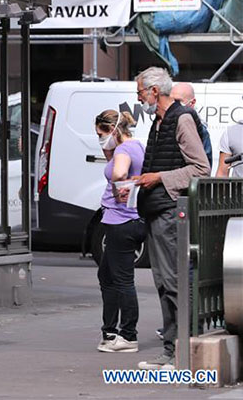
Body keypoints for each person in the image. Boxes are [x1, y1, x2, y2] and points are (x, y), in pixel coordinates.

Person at [133, 67, 210, 370]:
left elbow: (200, 168)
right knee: (164, 283)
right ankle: (170, 351)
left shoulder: (181, 118)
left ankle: (178, 353)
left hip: (168, 210)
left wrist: (158, 177)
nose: (139, 99)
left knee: (173, 282)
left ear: (154, 91)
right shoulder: (159, 121)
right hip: (157, 209)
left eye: (140, 93)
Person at [94, 110, 146, 353]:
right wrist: (109, 153)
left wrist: (118, 184)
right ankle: (110, 330)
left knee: (122, 280)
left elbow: (119, 173)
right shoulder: (135, 146)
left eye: (101, 134)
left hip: (121, 222)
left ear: (113, 130)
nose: (100, 139)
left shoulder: (124, 151)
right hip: (126, 220)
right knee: (107, 276)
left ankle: (128, 336)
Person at [170, 82, 213, 167]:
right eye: (172, 101)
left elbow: (204, 166)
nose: (174, 105)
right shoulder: (164, 122)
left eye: (178, 101)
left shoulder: (200, 130)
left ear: (192, 103)